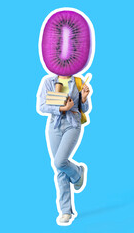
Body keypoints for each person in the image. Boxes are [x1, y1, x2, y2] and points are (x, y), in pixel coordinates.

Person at [36, 73, 90, 225]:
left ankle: (78, 173)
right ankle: (66, 211)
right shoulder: (48, 81)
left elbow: (84, 108)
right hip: (55, 126)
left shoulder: (78, 81)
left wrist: (84, 97)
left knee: (60, 162)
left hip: (72, 124)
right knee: (60, 169)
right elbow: (41, 106)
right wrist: (61, 108)